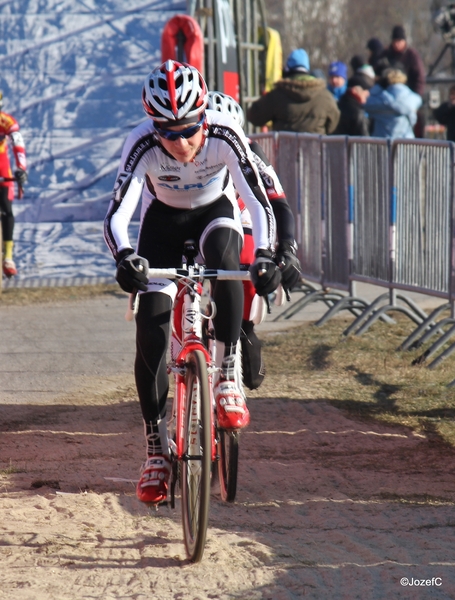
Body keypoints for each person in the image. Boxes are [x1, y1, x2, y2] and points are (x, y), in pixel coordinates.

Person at [104, 60, 281, 505]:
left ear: (204, 116)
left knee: (225, 262)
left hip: (213, 215)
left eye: (189, 129)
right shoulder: (140, 143)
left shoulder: (224, 134)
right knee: (151, 330)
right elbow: (117, 215)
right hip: (161, 225)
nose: (181, 142)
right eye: (169, 132)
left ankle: (225, 374)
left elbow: (260, 203)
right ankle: (156, 449)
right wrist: (125, 257)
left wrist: (263, 255)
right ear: (153, 125)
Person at [207, 91, 301, 390]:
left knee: (245, 259)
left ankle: (244, 328)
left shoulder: (252, 152)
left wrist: (286, 249)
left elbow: (279, 204)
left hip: (241, 219)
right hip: (200, 219)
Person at [247, 48, 340, 134]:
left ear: (287, 69)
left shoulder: (277, 95)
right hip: (315, 150)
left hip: (284, 150)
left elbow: (254, 116)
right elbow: (333, 124)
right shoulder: (325, 96)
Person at [0, 92, 27, 278]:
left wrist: (21, 168)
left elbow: (18, 144)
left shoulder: (6, 121)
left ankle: (8, 256)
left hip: (2, 171)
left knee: (6, 210)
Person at [365, 67, 422, 139]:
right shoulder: (411, 97)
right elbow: (419, 100)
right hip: (406, 143)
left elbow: (366, 103)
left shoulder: (381, 98)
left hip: (382, 143)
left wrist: (378, 87)